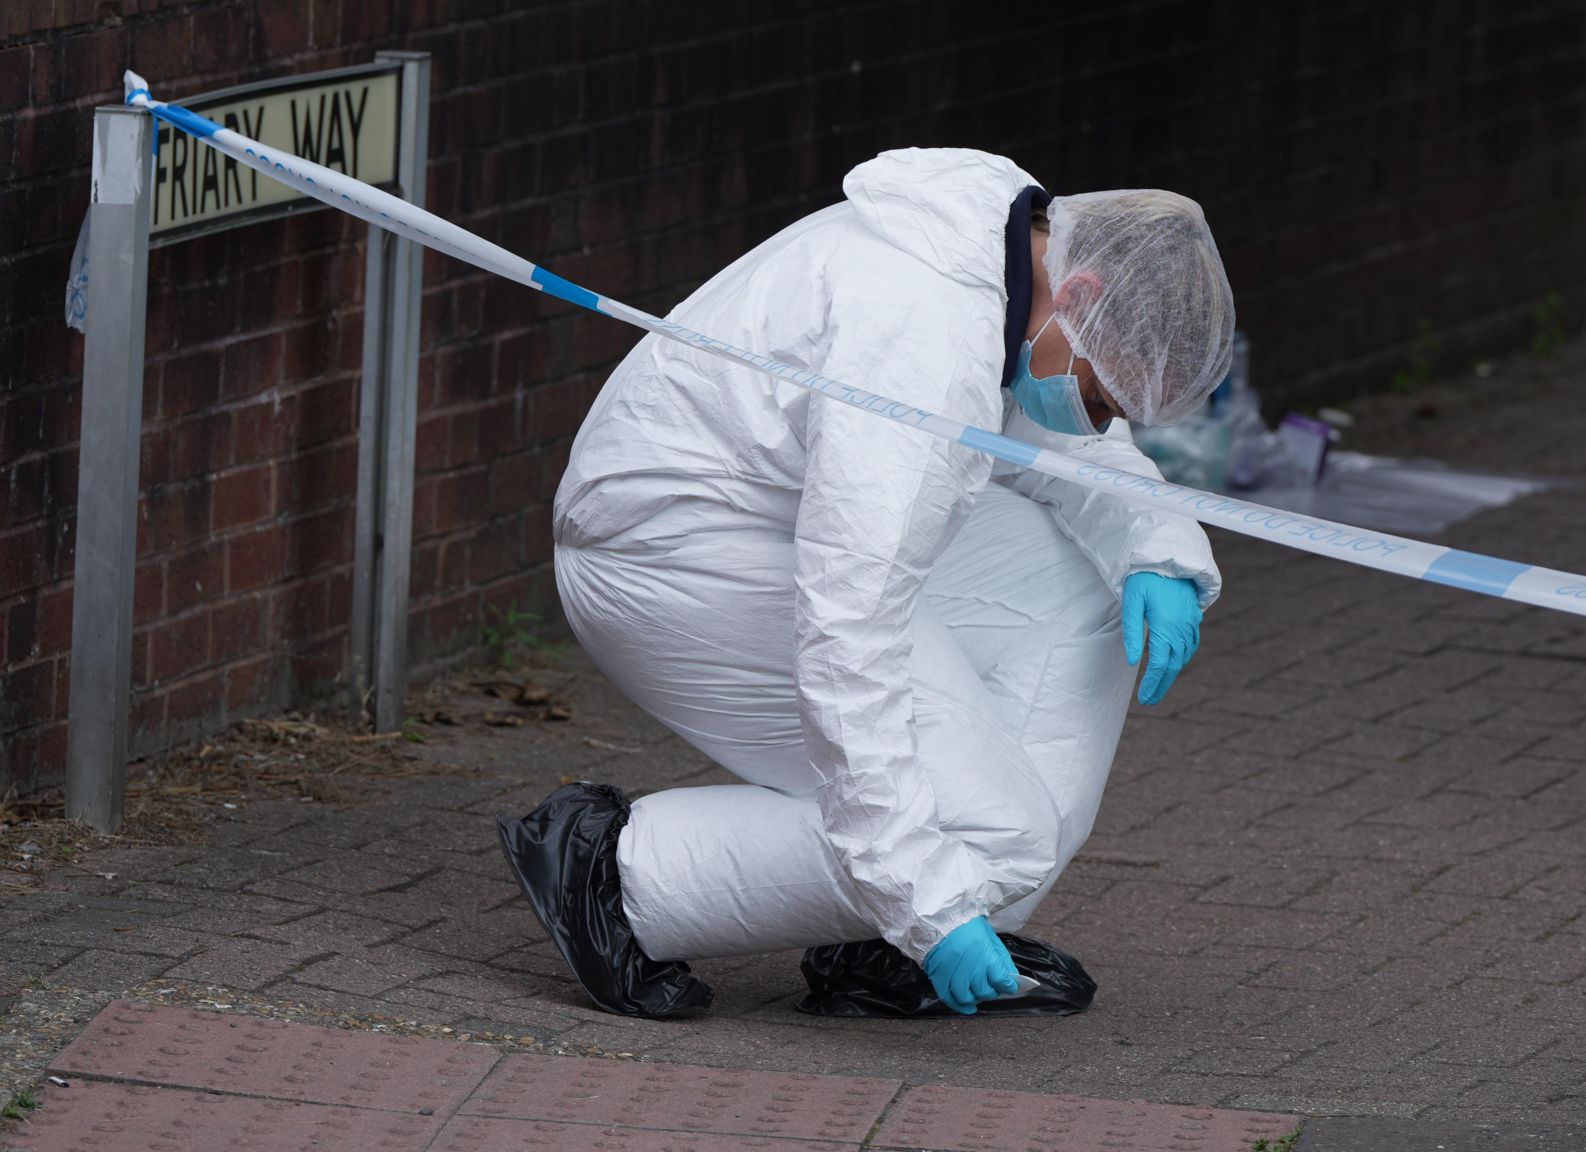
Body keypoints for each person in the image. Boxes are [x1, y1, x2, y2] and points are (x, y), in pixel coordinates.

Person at [498, 147, 1235, 1019]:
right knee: (995, 829)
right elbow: (851, 631)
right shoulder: (919, 336)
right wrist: (927, 903)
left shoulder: (1010, 262)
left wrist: (1156, 545)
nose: (1099, 417)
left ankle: (900, 933)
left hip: (784, 518)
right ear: (1078, 297)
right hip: (667, 553)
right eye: (1105, 395)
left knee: (1095, 581)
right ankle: (620, 873)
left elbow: (1062, 447)